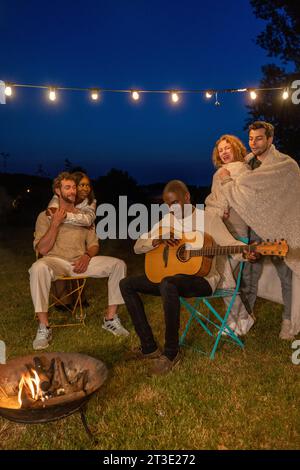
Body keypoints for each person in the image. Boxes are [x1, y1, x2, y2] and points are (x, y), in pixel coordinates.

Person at [120, 180, 257, 376]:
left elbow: (230, 244)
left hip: (203, 279)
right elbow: (138, 246)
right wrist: (157, 240)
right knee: (126, 284)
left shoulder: (207, 218)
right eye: (167, 204)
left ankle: (171, 353)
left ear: (187, 197)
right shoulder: (167, 220)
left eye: (175, 202)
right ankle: (149, 347)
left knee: (168, 284)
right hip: (170, 278)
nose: (171, 208)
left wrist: (246, 253)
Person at [29, 172, 129, 350]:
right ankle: (44, 327)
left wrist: (87, 256)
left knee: (118, 265)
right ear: (57, 191)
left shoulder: (84, 218)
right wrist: (55, 224)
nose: (73, 190)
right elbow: (42, 249)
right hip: (55, 262)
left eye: (74, 187)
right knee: (38, 267)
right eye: (67, 187)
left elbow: (93, 245)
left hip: (80, 263)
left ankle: (110, 319)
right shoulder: (45, 216)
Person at [218, 121, 294, 340]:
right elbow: (243, 198)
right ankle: (244, 320)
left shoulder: (284, 165)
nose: (254, 142)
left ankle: (288, 321)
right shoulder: (247, 164)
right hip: (255, 229)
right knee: (249, 275)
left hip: (280, 230)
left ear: (270, 139)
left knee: (286, 276)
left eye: (259, 138)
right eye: (251, 138)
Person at [205, 135, 254, 335]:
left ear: (235, 148)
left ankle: (241, 319)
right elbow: (216, 199)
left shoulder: (243, 170)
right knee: (224, 278)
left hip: (236, 232)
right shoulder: (219, 173)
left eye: (227, 148)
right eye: (220, 150)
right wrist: (218, 210)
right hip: (219, 231)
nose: (224, 152)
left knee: (224, 277)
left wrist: (223, 207)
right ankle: (235, 322)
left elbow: (240, 197)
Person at [47, 171, 97, 308]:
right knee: (59, 251)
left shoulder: (91, 202)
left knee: (79, 252)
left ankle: (80, 297)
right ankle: (62, 300)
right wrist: (66, 217)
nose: (85, 188)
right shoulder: (59, 197)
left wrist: (65, 217)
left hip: (79, 237)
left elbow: (88, 219)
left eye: (88, 185)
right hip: (60, 238)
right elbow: (51, 213)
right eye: (81, 185)